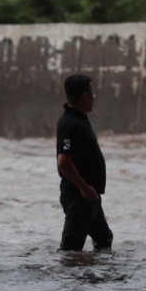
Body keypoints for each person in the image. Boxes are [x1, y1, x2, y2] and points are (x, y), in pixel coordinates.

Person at [56, 74, 113, 251]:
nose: (93, 98)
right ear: (85, 96)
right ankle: (64, 278)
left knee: (104, 239)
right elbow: (63, 162)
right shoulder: (70, 124)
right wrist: (83, 187)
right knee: (71, 249)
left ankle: (97, 275)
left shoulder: (80, 119)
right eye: (92, 94)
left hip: (90, 196)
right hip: (79, 195)